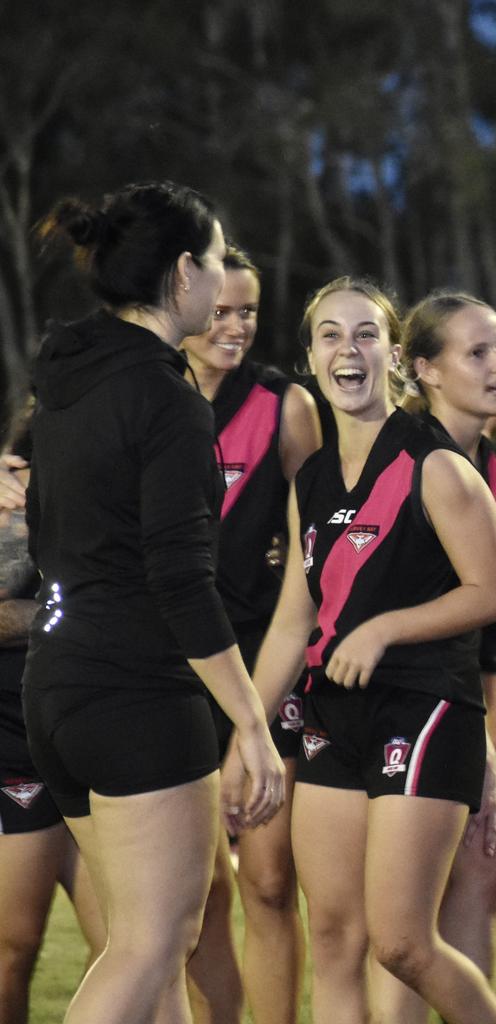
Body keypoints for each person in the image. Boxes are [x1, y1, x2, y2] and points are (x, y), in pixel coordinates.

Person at [22, 181, 284, 1024]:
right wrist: (249, 721)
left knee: (156, 959)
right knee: (148, 945)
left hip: (57, 685)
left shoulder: (68, 380)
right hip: (135, 692)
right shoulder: (168, 398)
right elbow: (179, 578)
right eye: (212, 262)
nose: (220, 282)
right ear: (182, 274)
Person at [243, 276, 496, 1024]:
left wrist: (384, 628)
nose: (347, 349)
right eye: (329, 335)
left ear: (394, 355)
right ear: (310, 357)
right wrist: (246, 731)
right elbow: (293, 623)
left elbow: (492, 593)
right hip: (333, 717)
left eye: (365, 334)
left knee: (401, 945)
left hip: (423, 707)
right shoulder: (311, 479)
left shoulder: (439, 466)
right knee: (333, 937)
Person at [181, 245, 321, 1024]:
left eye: (248, 312)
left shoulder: (282, 402)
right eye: (220, 310)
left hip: (263, 658)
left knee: (269, 881)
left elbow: (317, 538)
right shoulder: (147, 396)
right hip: (169, 668)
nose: (233, 326)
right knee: (196, 889)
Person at [369, 290, 496, 1024]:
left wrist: (489, 748)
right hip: (372, 707)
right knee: (383, 931)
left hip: (445, 701)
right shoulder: (399, 454)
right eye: (477, 352)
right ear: (424, 368)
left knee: (480, 880)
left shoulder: (491, 464)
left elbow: (486, 616)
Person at [0, 444, 105, 1024]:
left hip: (91, 727)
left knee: (127, 943)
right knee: (14, 946)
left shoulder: (93, 488)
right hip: (14, 735)